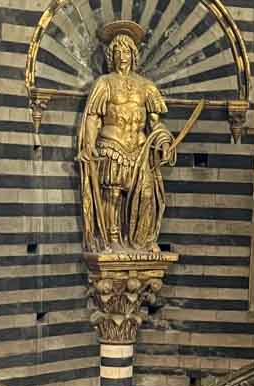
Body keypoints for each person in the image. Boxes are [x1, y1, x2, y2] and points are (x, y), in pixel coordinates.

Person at [77, 21, 175, 252]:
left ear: (134, 55)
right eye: (119, 51)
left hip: (140, 150)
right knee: (112, 195)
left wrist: (163, 141)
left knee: (147, 194)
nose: (124, 56)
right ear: (112, 55)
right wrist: (89, 146)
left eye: (128, 51)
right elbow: (93, 117)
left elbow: (155, 122)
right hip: (112, 145)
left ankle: (142, 241)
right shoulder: (105, 83)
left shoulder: (146, 87)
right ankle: (112, 239)